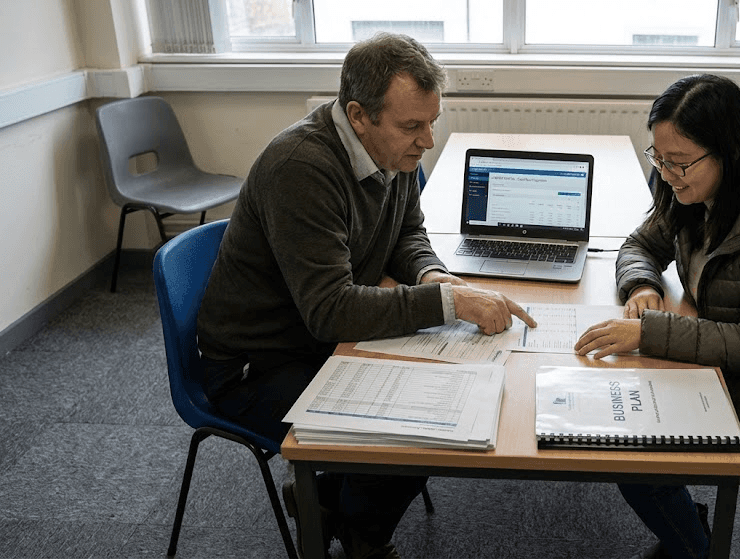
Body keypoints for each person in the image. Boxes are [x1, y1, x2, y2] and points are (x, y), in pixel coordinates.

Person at [196, 33, 536, 559]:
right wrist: (451, 304)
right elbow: (331, 312)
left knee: (455, 391)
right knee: (424, 420)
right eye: (412, 126)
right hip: (258, 364)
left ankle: (332, 498)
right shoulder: (301, 168)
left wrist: (432, 278)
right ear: (359, 116)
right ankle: (360, 534)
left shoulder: (392, 151)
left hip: (313, 334)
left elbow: (408, 233)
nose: (427, 140)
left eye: (431, 122)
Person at [574, 74, 740, 559]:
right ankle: (688, 528)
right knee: (614, 414)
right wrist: (642, 284)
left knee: (635, 459)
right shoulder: (693, 189)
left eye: (679, 163)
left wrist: (649, 332)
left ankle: (696, 550)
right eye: (658, 159)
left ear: (728, 152)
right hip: (721, 376)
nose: (667, 174)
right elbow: (639, 244)